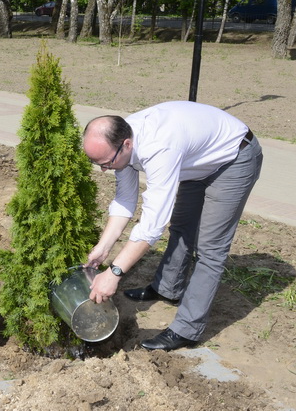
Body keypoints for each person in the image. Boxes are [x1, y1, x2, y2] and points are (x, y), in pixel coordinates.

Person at [82, 101, 263, 351]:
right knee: (181, 227)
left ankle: (187, 329)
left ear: (126, 144)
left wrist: (114, 273)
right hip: (195, 164)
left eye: (107, 163)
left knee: (210, 249)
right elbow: (125, 200)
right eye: (98, 163)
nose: (104, 170)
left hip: (232, 159)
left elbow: (152, 223)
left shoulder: (159, 147)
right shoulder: (121, 142)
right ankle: (167, 288)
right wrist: (103, 248)